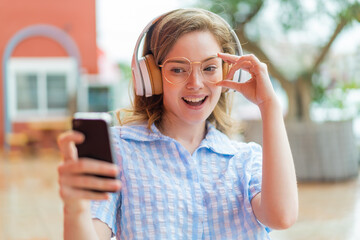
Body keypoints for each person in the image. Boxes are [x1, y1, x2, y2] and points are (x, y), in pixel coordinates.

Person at [57, 8, 298, 240]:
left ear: (227, 73)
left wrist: (269, 105)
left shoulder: (246, 159)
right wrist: (75, 207)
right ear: (151, 76)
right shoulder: (119, 150)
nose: (195, 83)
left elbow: (282, 217)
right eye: (178, 69)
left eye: (209, 68)